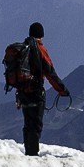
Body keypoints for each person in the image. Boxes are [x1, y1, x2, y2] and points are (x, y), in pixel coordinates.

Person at [15, 22, 69, 156]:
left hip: (22, 93)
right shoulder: (39, 49)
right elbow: (50, 72)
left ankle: (29, 152)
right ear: (41, 35)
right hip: (36, 93)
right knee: (35, 125)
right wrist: (62, 90)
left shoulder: (23, 49)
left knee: (28, 124)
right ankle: (32, 156)